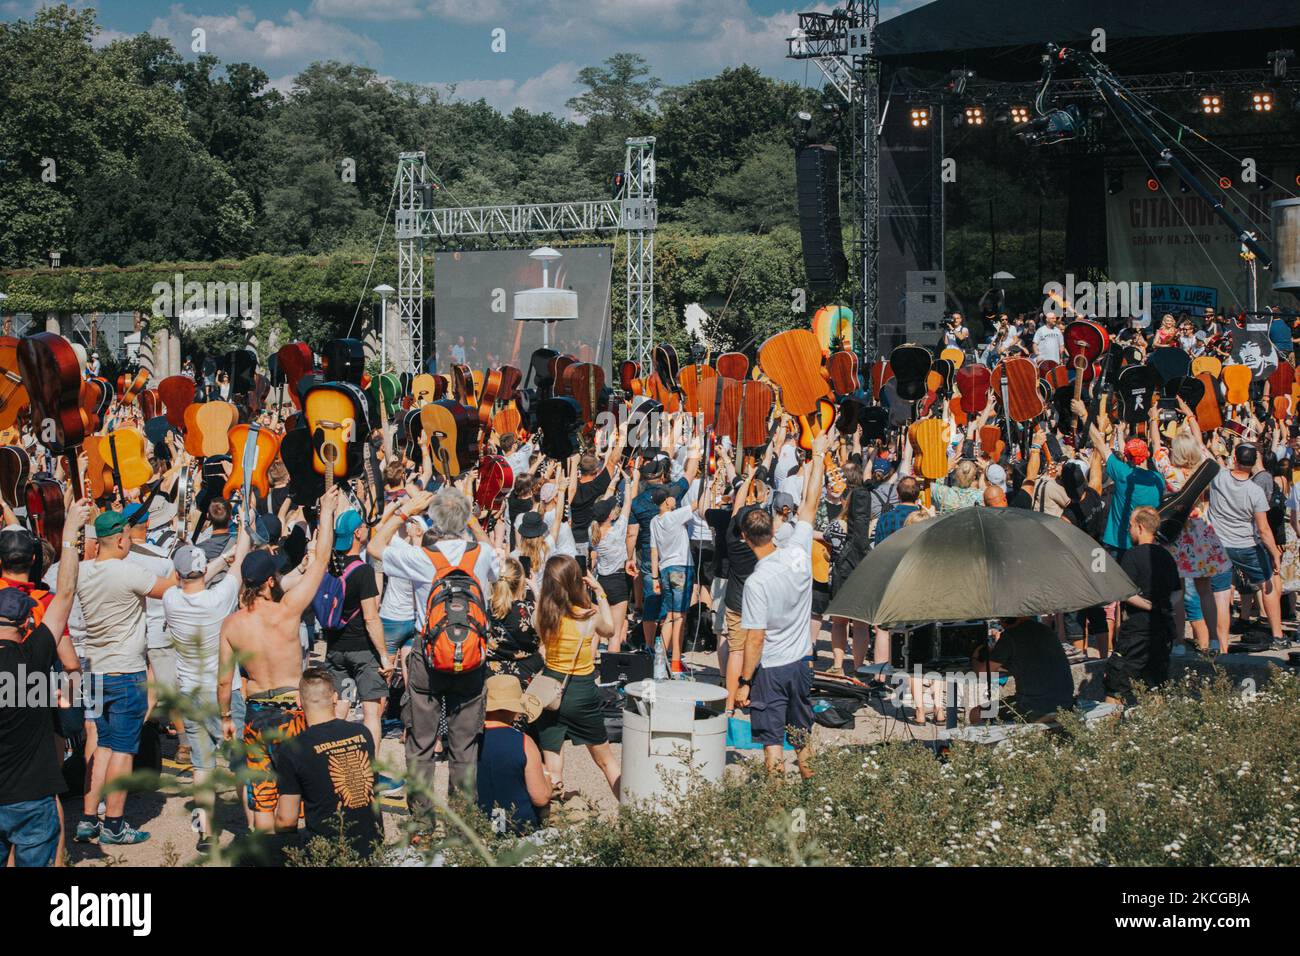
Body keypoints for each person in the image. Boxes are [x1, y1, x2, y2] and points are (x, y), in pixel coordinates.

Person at [367, 488, 498, 808]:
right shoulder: (480, 555)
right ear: (464, 519)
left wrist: (404, 510)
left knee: (421, 744)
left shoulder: (420, 557)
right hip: (470, 656)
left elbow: (374, 547)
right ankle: (463, 823)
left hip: (427, 653)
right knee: (464, 746)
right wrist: (476, 522)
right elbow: (494, 554)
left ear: (434, 518)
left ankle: (422, 823)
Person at [219, 487, 340, 832]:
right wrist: (327, 512)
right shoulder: (288, 611)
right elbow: (320, 561)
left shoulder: (232, 624)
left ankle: (265, 853)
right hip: (291, 711)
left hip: (256, 712)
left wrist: (226, 715)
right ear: (270, 580)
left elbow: (224, 680)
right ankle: (290, 853)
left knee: (262, 791)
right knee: (294, 791)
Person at [75, 509, 177, 846]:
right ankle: (115, 824)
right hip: (125, 670)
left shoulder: (83, 571)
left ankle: (89, 818)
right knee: (122, 750)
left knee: (100, 746)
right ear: (119, 539)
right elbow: (171, 590)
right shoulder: (129, 572)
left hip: (94, 669)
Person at [0, 500, 89, 866]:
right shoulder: (35, 656)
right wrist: (69, 535)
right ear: (26, 626)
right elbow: (65, 594)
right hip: (33, 791)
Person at [735, 432, 828, 777]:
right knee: (803, 733)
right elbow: (811, 504)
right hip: (801, 661)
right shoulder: (798, 551)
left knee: (772, 741)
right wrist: (818, 457)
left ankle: (775, 807)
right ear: (774, 529)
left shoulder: (757, 582)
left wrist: (745, 681)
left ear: (746, 539)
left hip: (771, 669)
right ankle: (812, 786)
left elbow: (755, 638)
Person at [163, 529, 250, 850]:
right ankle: (253, 823)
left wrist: (215, 562)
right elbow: (240, 563)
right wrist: (242, 535)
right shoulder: (219, 599)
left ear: (178, 574)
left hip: (191, 691)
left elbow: (189, 578)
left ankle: (207, 832)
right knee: (240, 761)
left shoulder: (172, 600)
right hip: (225, 691)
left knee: (203, 766)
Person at [531, 555, 618, 798]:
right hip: (582, 690)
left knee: (553, 765)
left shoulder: (542, 616)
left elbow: (540, 614)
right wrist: (599, 592)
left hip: (551, 691)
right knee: (606, 762)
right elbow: (610, 630)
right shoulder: (588, 616)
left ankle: (553, 817)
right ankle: (632, 814)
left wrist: (536, 590)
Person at [273, 667, 383, 858]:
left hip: (329, 850)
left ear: (299, 702)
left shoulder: (293, 749)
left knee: (248, 852)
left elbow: (286, 820)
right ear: (334, 698)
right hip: (372, 844)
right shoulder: (362, 733)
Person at [319, 510, 391, 750]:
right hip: (362, 651)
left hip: (336, 649)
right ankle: (370, 770)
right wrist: (383, 655)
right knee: (371, 710)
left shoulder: (329, 567)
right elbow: (371, 618)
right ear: (358, 533)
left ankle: (331, 761)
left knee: (340, 706)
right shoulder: (363, 571)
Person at [1206, 443, 1285, 645]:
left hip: (1219, 545)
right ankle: (1277, 635)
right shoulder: (1255, 491)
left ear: (1235, 458)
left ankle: (1221, 645)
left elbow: (1201, 447)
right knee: (1267, 585)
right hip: (1246, 545)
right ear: (1254, 463)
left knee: (1222, 596)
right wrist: (1275, 554)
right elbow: (1263, 529)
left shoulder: (1218, 477)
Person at [1105, 507, 1181, 703]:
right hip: (1162, 631)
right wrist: (1164, 606)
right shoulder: (1167, 556)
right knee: (1155, 686)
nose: (1129, 530)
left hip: (1136, 632)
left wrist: (1150, 606)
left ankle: (1110, 731)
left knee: (1115, 687)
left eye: (1130, 526)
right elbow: (1178, 591)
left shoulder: (1131, 556)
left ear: (1140, 527)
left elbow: (1125, 593)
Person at [476, 674, 550, 835]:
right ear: (512, 709)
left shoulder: (467, 741)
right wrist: (547, 777)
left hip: (476, 828)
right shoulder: (524, 742)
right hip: (519, 827)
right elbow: (540, 797)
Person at [649, 483, 708, 673]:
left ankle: (660, 658)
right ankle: (674, 662)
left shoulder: (654, 521)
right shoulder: (674, 516)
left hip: (665, 569)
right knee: (679, 617)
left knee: (671, 615)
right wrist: (709, 485)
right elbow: (697, 504)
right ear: (667, 501)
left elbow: (653, 550)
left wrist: (655, 576)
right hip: (681, 567)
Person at [971, 617, 1074, 724]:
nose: (1000, 625)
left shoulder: (1011, 635)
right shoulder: (1046, 630)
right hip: (1065, 704)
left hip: (1032, 707)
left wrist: (974, 658)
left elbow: (983, 672)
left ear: (1006, 620)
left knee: (975, 713)